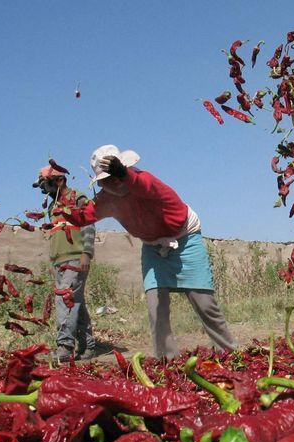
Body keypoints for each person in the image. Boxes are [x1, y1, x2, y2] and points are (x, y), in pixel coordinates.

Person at [63, 145, 237, 359]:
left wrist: (125, 175)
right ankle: (167, 361)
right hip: (153, 248)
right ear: (101, 183)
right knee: (156, 307)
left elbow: (146, 187)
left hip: (185, 240)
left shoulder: (142, 180)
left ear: (124, 171)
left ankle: (229, 353)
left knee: (204, 303)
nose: (113, 183)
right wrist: (60, 200)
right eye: (107, 180)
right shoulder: (107, 199)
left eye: (115, 176)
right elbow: (82, 217)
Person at [34, 165, 97, 362]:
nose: (44, 190)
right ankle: (88, 347)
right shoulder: (54, 206)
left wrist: (86, 253)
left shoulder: (77, 198)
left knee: (65, 299)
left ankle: (64, 347)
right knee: (75, 301)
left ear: (59, 181)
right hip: (59, 261)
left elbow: (88, 224)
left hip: (76, 258)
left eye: (46, 184)